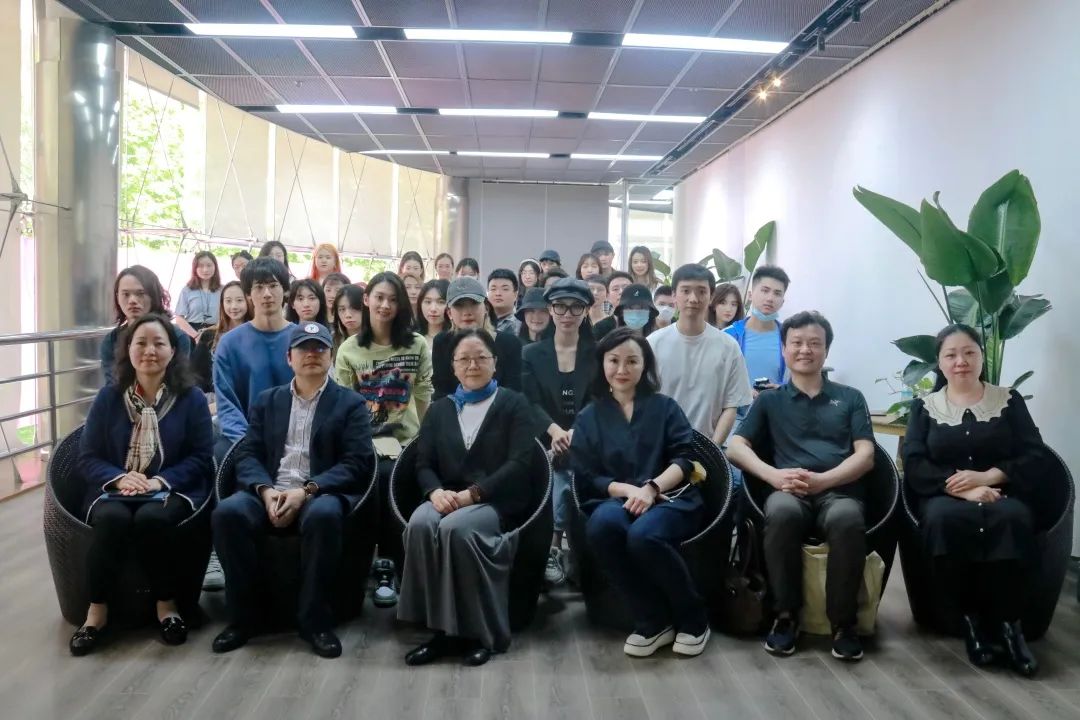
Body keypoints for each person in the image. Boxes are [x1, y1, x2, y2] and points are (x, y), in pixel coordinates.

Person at [211, 323, 375, 659]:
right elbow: (248, 453)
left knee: (324, 516)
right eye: (303, 348)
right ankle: (243, 619)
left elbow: (356, 463)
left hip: (319, 492)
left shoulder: (351, 404)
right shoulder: (267, 401)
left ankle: (315, 621)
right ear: (289, 358)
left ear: (331, 356)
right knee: (227, 513)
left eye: (320, 348)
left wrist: (308, 490)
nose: (311, 354)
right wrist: (265, 491)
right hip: (270, 489)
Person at [726, 311, 874, 662]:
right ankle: (785, 616)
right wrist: (773, 476)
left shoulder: (850, 397)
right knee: (780, 513)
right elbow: (735, 447)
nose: (805, 350)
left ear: (826, 350)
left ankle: (844, 624)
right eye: (796, 343)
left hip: (838, 490)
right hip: (787, 490)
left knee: (847, 519)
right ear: (784, 349)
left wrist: (825, 480)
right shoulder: (770, 400)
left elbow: (866, 455)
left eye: (814, 343)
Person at [903, 324, 1045, 677]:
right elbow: (915, 462)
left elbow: (1034, 454)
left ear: (982, 357)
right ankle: (972, 625)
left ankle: (1011, 628)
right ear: (939, 362)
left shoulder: (1008, 400)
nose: (961, 361)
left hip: (1001, 492)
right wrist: (963, 489)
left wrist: (989, 477)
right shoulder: (925, 407)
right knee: (943, 521)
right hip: (944, 496)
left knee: (1012, 519)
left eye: (969, 352)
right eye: (951, 355)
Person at [70, 313, 213, 656]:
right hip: (114, 488)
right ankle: (96, 613)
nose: (150, 350)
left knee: (152, 519)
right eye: (141, 343)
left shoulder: (191, 398)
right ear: (128, 350)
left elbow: (201, 456)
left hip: (172, 488)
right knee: (112, 519)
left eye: (159, 343)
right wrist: (120, 478)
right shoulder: (108, 397)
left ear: (173, 351)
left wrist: (159, 481)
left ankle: (167, 607)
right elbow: (87, 457)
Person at [398, 329, 536, 667]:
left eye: (480, 358)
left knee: (455, 530)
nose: (472, 365)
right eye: (464, 359)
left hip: (495, 501)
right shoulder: (440, 409)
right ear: (453, 366)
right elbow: (423, 463)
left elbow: (520, 463)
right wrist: (435, 492)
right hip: (447, 496)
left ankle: (479, 634)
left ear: (495, 363)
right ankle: (439, 632)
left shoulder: (513, 403)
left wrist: (473, 494)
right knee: (420, 524)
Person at [571, 327, 710, 658]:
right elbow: (588, 474)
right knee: (602, 526)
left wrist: (650, 488)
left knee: (644, 535)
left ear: (645, 365)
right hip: (616, 498)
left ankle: (694, 618)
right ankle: (653, 620)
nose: (622, 369)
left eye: (632, 361)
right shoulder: (589, 416)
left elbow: (685, 460)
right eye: (614, 360)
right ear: (602, 364)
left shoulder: (665, 407)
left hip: (670, 498)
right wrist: (628, 490)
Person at [335, 271, 433, 608]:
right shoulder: (349, 349)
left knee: (396, 480)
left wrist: (427, 442)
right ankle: (372, 567)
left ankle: (393, 566)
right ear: (366, 299)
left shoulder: (416, 344)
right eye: (379, 297)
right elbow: (343, 406)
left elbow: (424, 395)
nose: (385, 305)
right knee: (372, 481)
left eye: (393, 299)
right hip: (365, 442)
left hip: (406, 442)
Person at [522, 278, 595, 586]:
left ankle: (568, 548)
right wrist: (554, 430)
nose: (567, 314)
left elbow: (599, 400)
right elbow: (528, 402)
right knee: (558, 470)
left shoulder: (598, 352)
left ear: (586, 311)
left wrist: (574, 432)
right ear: (550, 310)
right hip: (542, 438)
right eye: (560, 307)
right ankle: (554, 547)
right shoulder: (531, 353)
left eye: (576, 307)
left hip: (586, 436)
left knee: (571, 470)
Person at [648, 264, 752, 446]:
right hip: (659, 446)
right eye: (685, 291)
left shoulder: (728, 347)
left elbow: (731, 405)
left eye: (701, 292)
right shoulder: (653, 344)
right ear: (674, 295)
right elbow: (644, 401)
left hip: (709, 447)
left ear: (711, 296)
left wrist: (711, 450)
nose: (693, 299)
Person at [213, 258, 295, 459]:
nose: (266, 293)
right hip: (246, 438)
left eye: (273, 285)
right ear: (248, 293)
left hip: (297, 437)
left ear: (285, 290)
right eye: (258, 287)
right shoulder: (230, 343)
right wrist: (247, 443)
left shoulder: (301, 339)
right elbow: (227, 403)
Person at [431, 277, 522, 400]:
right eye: (459, 306)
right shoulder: (442, 342)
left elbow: (514, 393)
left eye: (473, 304)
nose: (467, 312)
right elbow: (441, 391)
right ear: (449, 313)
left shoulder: (510, 343)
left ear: (486, 308)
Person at [101, 266, 192, 386]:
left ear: (154, 295)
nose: (132, 300)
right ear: (117, 297)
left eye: (140, 293)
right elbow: (113, 386)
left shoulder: (178, 337)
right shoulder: (111, 340)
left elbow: (178, 383)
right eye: (126, 294)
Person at [724, 266, 790, 391]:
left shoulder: (789, 338)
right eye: (765, 291)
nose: (770, 298)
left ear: (782, 302)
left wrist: (781, 389)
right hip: (738, 404)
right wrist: (743, 393)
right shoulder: (727, 336)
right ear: (750, 295)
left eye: (777, 293)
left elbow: (797, 382)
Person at [191, 280, 251, 393]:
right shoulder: (209, 335)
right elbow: (196, 374)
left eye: (239, 300)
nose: (234, 306)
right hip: (213, 396)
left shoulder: (256, 334)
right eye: (228, 301)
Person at [175, 251, 222, 340]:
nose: (205, 270)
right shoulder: (187, 290)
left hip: (215, 332)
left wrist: (212, 330)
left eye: (209, 265)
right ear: (195, 268)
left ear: (215, 267)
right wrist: (196, 336)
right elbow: (179, 318)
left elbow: (227, 316)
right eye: (201, 266)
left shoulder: (222, 290)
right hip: (191, 333)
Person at [593, 283, 657, 341]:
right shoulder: (608, 342)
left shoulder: (658, 340)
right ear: (622, 311)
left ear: (650, 312)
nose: (636, 312)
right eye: (630, 308)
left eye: (642, 308)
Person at [416, 279, 449, 349]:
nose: (433, 309)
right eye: (428, 302)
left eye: (441, 302)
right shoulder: (412, 339)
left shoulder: (457, 339)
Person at [487, 268, 521, 335]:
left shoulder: (521, 326)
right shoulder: (480, 321)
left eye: (505, 289)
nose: (498, 293)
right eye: (493, 289)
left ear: (515, 294)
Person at [332, 284, 364, 350]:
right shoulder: (332, 340)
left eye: (354, 308)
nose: (348, 315)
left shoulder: (378, 338)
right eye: (342, 309)